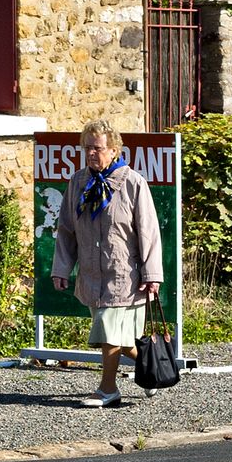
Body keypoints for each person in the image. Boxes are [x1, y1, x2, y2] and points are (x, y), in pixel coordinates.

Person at [51, 117, 161, 407]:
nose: (90, 153)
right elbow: (66, 229)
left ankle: (107, 389)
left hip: (125, 274)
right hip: (91, 274)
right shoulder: (78, 182)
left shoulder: (133, 183)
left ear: (114, 150)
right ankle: (147, 369)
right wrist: (62, 268)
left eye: (97, 148)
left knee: (109, 329)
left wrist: (152, 274)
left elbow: (148, 231)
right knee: (120, 339)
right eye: (87, 148)